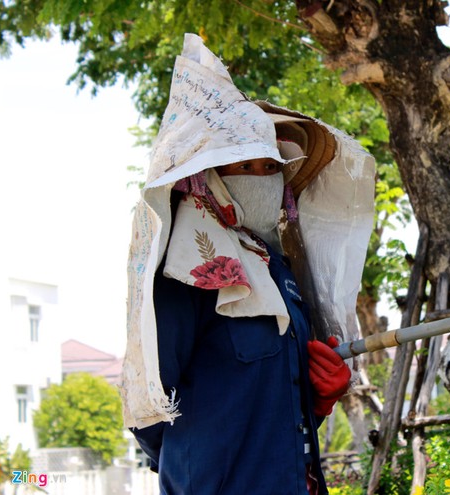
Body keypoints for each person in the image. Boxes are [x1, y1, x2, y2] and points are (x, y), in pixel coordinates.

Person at [120, 34, 376, 495]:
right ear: (209, 177)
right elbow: (150, 413)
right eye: (245, 167)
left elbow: (289, 415)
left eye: (269, 167)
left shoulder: (282, 275)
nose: (263, 180)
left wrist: (320, 397)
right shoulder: (184, 276)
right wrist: (202, 463)